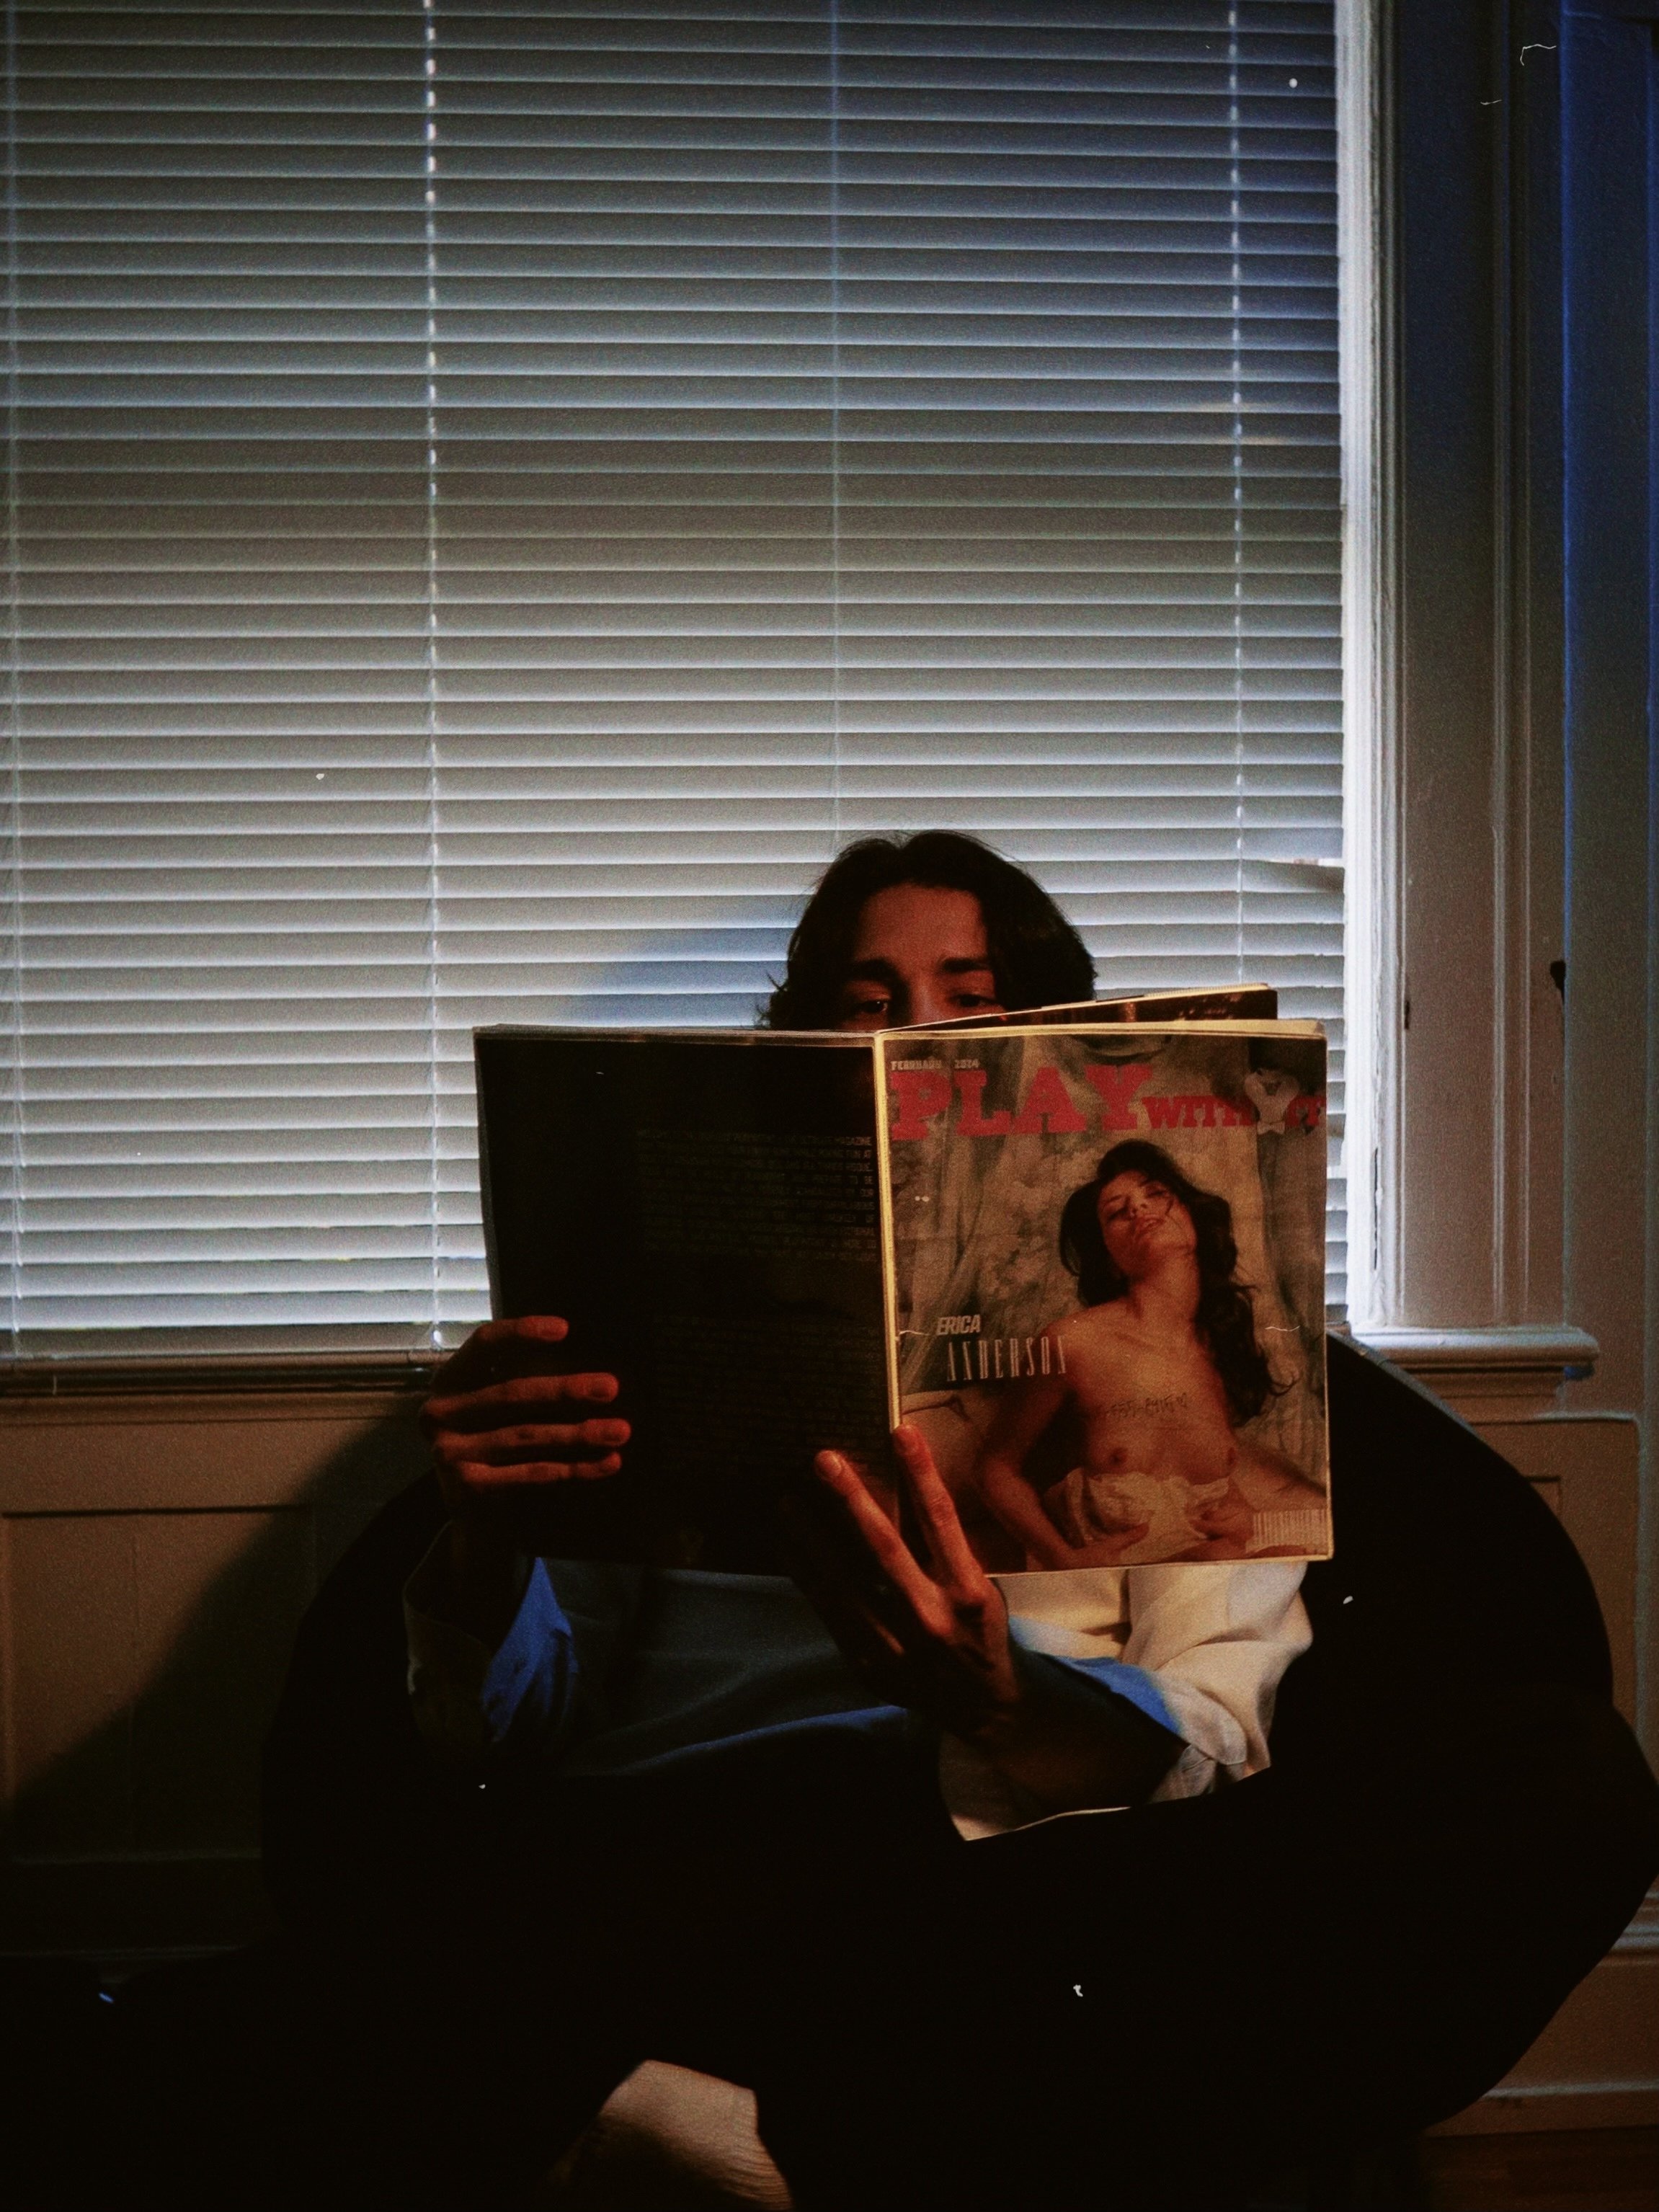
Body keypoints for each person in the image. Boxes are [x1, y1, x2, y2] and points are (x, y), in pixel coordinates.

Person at [102, 834, 1659, 2212]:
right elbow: (497, 1738)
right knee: (179, 2046)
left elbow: (1206, 1741)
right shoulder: (658, 1322)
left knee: (1560, 1786)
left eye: (964, 992)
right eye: (862, 997)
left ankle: (658, 2113)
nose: (910, 1029)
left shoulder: (1191, 1386)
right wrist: (481, 1539)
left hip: (1004, 1879)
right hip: (669, 1854)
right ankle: (804, 2122)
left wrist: (995, 1690)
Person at [974, 1141, 1328, 1570]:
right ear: (1109, 1260)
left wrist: (1247, 1518)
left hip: (1213, 1575)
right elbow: (995, 1468)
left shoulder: (1218, 1349)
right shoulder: (1073, 1344)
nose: (1139, 1210)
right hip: (1115, 1587)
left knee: (1298, 1551)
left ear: (1193, 1217)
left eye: (1155, 1194)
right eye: (1117, 1212)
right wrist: (1064, 1560)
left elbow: (1204, 1481)